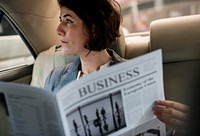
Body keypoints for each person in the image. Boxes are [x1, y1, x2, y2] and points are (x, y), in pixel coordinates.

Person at [43, 0, 189, 135]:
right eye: (60, 20)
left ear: (94, 28)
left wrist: (182, 127)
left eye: (68, 21)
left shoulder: (138, 78)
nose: (58, 29)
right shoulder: (54, 78)